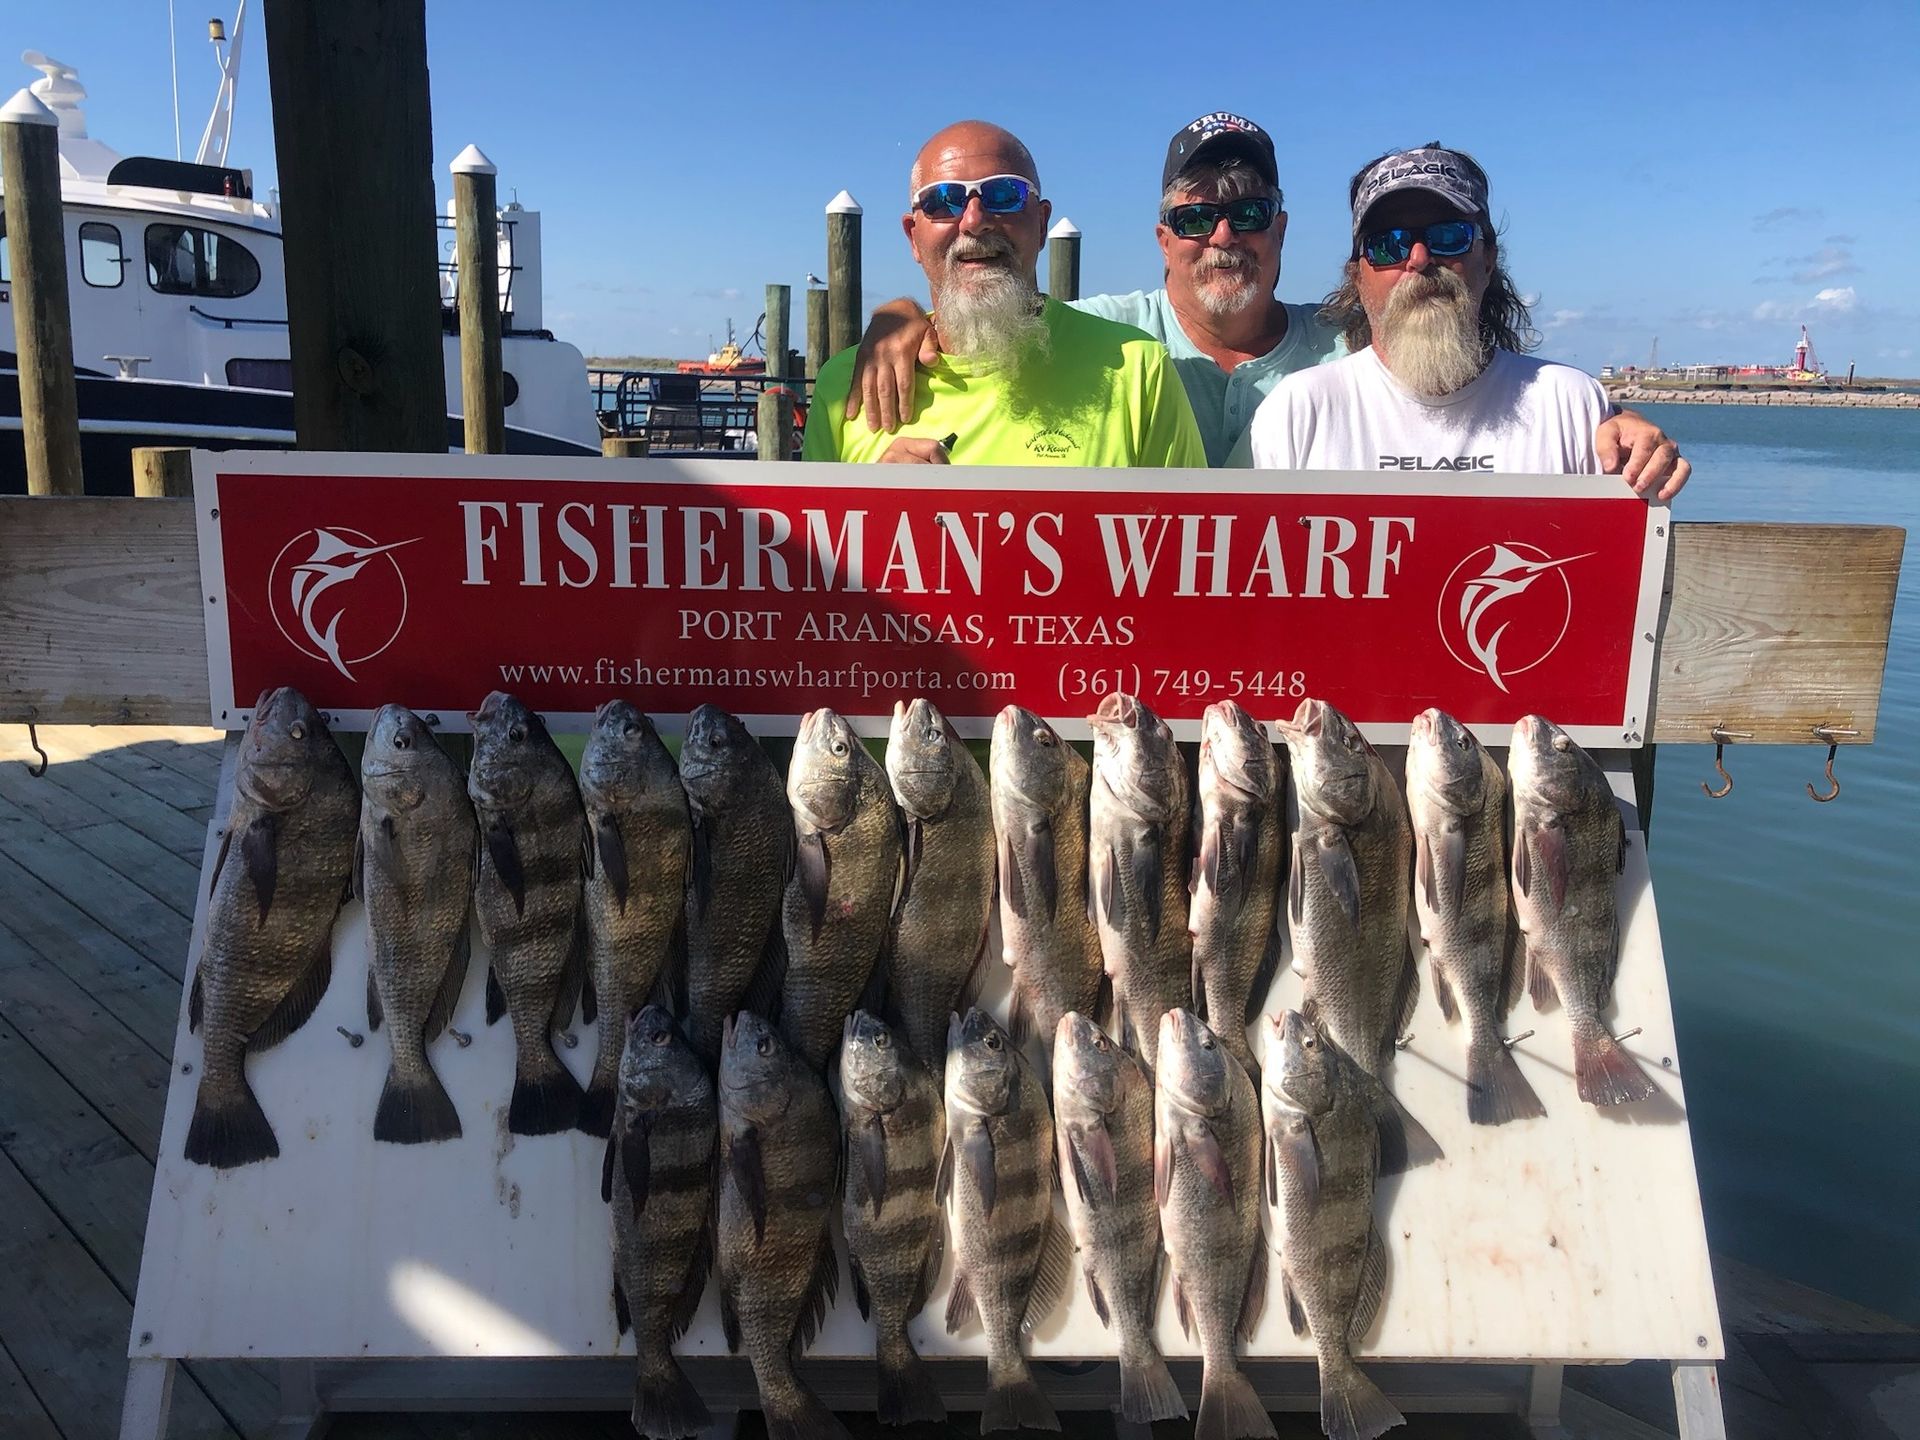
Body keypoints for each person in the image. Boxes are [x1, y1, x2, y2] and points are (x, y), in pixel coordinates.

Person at [843, 115, 1685, 493]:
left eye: (1247, 213)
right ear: (1162, 235)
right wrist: (898, 317)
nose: (1222, 236)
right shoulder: (1117, 340)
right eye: (1194, 216)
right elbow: (997, 310)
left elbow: (1447, 348)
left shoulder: (1340, 354)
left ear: (1280, 229)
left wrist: (1614, 423)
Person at [1246, 142, 1690, 500]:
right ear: (1357, 274)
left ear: (1489, 260)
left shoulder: (1569, 403)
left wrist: (1649, 465)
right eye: (1388, 245)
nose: (1419, 260)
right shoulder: (1297, 411)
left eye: (1448, 237)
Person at [802, 120, 1205, 467]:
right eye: (944, 201)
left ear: (1042, 222)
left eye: (1004, 195)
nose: (974, 221)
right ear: (913, 236)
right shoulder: (843, 387)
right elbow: (817, 555)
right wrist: (872, 504)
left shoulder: (1139, 372)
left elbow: (1189, 546)